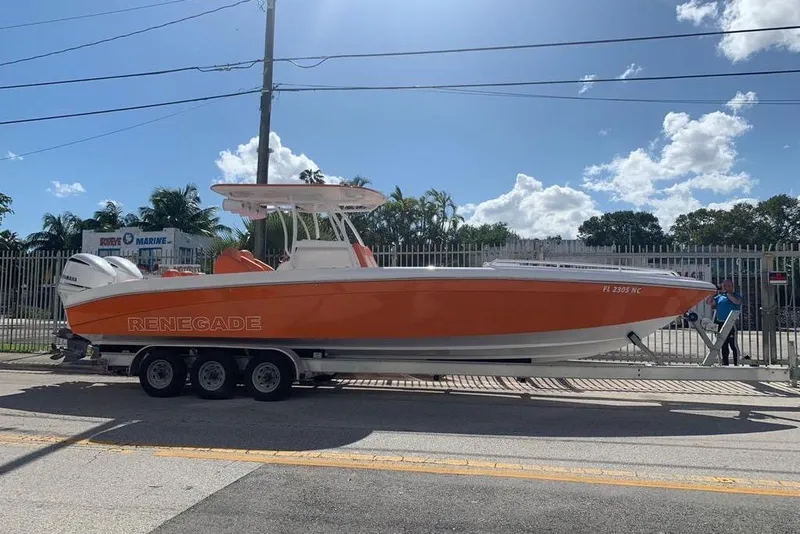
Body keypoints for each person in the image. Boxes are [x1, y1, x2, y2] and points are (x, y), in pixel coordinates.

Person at [705, 279, 742, 366]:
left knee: (733, 345)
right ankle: (725, 364)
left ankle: (737, 364)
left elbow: (737, 302)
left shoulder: (736, 296)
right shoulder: (719, 297)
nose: (726, 287)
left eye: (729, 286)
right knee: (723, 345)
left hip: (730, 323)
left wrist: (727, 293)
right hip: (720, 323)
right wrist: (712, 294)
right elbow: (708, 302)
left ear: (732, 287)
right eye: (724, 286)